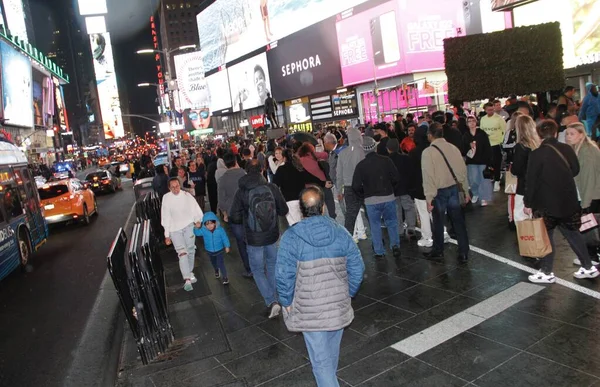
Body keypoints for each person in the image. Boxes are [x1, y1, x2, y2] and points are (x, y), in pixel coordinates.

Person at [276, 186, 365, 387]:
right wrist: (348, 292)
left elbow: (284, 273)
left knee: (321, 363)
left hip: (309, 310)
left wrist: (286, 300)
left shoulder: (292, 237)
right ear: (323, 207)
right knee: (330, 357)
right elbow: (358, 267)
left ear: (300, 209)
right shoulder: (340, 231)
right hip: (337, 305)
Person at [524, 120, 599, 282]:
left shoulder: (536, 154)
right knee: (573, 234)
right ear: (557, 133)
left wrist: (528, 203)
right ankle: (588, 266)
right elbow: (575, 169)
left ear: (539, 135)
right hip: (568, 201)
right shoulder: (566, 149)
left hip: (546, 204)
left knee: (546, 236)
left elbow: (530, 181)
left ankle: (546, 272)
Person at [229, 160, 289, 318]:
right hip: (272, 234)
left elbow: (233, 216)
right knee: (272, 265)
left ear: (246, 171)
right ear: (262, 170)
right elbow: (284, 210)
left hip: (253, 238)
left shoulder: (242, 191)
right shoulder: (272, 187)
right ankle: (276, 297)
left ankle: (271, 301)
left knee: (257, 270)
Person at [422, 123, 470, 263]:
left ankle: (438, 250)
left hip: (439, 192)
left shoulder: (428, 153)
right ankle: (464, 251)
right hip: (455, 188)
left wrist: (429, 197)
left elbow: (428, 176)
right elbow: (462, 171)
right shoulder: (453, 148)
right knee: (458, 222)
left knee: (438, 222)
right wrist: (466, 190)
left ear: (430, 135)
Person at [352, 136, 401, 258]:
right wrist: (391, 189)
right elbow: (396, 178)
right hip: (388, 196)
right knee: (391, 222)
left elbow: (355, 186)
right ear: (375, 147)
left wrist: (363, 195)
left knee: (375, 225)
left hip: (371, 200)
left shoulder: (361, 166)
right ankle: (395, 245)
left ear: (363, 150)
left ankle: (379, 251)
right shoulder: (386, 160)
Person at [565, 122, 600, 265]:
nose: (568, 137)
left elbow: (588, 179)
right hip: (591, 194)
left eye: (572, 134)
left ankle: (592, 258)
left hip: (591, 195)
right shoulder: (580, 148)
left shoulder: (587, 151)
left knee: (588, 227)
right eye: (567, 133)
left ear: (581, 135)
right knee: (592, 226)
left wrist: (586, 203)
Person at [161, 178, 204, 291]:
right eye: (173, 187)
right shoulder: (166, 198)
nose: (175, 189)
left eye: (177, 186)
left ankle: (189, 272)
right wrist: (167, 235)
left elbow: (195, 209)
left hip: (189, 226)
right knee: (182, 253)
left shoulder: (186, 195)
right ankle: (187, 279)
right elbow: (165, 217)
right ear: (169, 188)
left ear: (180, 185)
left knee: (190, 250)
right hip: (175, 230)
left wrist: (198, 220)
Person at [218, 152, 253, 278]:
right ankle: (258, 264)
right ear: (235, 161)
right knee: (251, 238)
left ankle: (249, 269)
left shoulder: (223, 179)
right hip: (247, 210)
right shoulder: (244, 173)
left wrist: (225, 214)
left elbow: (221, 200)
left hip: (233, 214)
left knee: (241, 242)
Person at [274, 149, 322, 226]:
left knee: (295, 225)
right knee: (303, 223)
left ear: (284, 158)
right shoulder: (299, 168)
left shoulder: (281, 169)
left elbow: (274, 185)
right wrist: (323, 182)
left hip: (289, 201)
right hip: (302, 199)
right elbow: (311, 178)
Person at [336, 127, 368, 242]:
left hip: (349, 188)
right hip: (365, 187)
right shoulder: (364, 151)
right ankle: (375, 239)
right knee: (370, 214)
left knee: (350, 215)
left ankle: (348, 239)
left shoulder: (342, 153)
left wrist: (339, 191)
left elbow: (338, 175)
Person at [510, 115, 540, 224]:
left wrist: (512, 168)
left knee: (520, 218)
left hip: (524, 187)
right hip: (538, 186)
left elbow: (516, 169)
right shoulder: (538, 144)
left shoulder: (521, 146)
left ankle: (526, 241)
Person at [387, 138, 417, 239]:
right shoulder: (406, 158)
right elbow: (411, 173)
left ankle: (399, 230)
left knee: (396, 210)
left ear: (388, 149)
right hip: (405, 188)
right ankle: (411, 228)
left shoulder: (386, 160)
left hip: (393, 190)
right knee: (409, 208)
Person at [297, 143, 336, 219]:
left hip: (309, 187)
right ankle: (332, 217)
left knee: (314, 206)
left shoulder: (299, 160)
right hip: (323, 183)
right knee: (329, 200)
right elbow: (325, 155)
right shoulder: (313, 155)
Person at [462, 115, 493, 207]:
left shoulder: (482, 133)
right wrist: (468, 145)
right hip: (471, 161)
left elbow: (487, 147)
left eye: (473, 121)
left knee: (483, 180)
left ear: (476, 122)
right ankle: (475, 193)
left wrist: (489, 160)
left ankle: (483, 197)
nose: (471, 123)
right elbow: (462, 149)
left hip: (482, 160)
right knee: (473, 180)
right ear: (467, 124)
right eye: (469, 121)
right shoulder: (465, 135)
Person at [194, 212, 231, 285]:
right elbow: (197, 233)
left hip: (219, 250)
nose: (209, 226)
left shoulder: (220, 230)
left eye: (211, 223)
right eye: (207, 224)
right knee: (213, 262)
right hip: (209, 251)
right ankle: (216, 269)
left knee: (221, 263)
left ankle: (225, 277)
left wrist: (227, 246)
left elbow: (225, 238)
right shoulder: (204, 230)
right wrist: (196, 227)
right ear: (204, 225)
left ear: (215, 222)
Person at [480, 102, 507, 192]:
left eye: (492, 109)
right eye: (489, 110)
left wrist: (501, 141)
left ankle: (497, 181)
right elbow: (481, 131)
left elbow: (505, 130)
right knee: (488, 163)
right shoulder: (483, 119)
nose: (491, 111)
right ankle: (491, 179)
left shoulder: (499, 119)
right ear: (485, 110)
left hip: (496, 144)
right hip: (487, 145)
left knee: (497, 163)